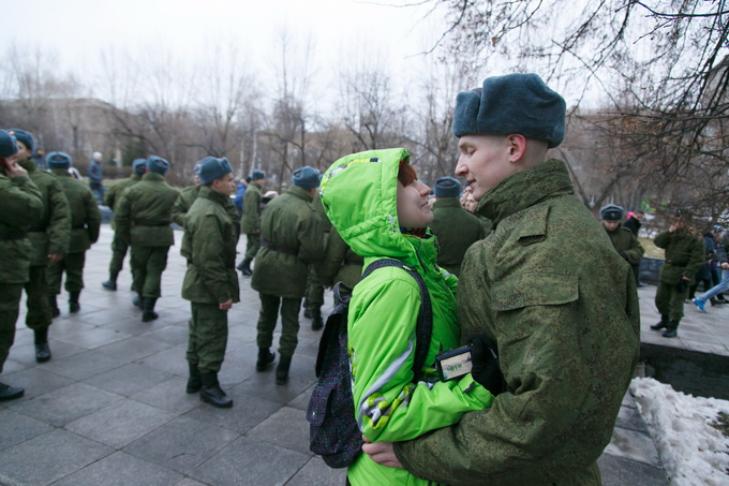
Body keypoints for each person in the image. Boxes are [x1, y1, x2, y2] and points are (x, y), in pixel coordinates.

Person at [363, 73, 640, 485]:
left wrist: (421, 453)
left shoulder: (548, 246)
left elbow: (538, 416)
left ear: (514, 147)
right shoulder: (527, 228)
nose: (459, 166)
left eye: (469, 150)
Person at [320, 148, 495, 485]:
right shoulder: (395, 286)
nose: (426, 189)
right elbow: (379, 415)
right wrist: (473, 391)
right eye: (408, 183)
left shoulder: (424, 270)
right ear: (377, 203)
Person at [251, 166, 326, 385]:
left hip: (265, 262)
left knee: (266, 314)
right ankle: (283, 369)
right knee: (290, 320)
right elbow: (312, 250)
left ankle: (262, 357)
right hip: (292, 269)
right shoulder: (307, 211)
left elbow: (260, 228)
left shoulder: (274, 202)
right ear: (312, 188)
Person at [181, 157, 239, 408]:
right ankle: (209, 385)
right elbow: (209, 260)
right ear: (216, 183)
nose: (232, 182)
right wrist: (222, 295)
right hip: (207, 287)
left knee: (199, 332)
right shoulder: (209, 212)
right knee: (212, 335)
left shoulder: (209, 205)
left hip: (200, 284)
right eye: (228, 179)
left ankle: (195, 380)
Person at [12, 129, 71, 362]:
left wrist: (56, 246)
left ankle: (41, 339)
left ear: (29, 151)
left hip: (35, 248)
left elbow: (60, 215)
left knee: (38, 298)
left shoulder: (46, 181)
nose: (14, 152)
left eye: (19, 147)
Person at [0, 130, 43, 400]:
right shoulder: (5, 187)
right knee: (3, 322)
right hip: (5, 263)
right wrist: (24, 181)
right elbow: (33, 209)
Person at [114, 156, 179, 322]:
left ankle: (141, 299)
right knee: (155, 270)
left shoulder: (133, 190)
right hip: (162, 236)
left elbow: (120, 217)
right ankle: (149, 308)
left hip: (139, 235)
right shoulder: (172, 192)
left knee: (139, 268)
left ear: (147, 170)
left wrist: (125, 236)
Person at [46, 152, 101, 316]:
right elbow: (94, 217)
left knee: (51, 273)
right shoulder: (81, 188)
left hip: (50, 236)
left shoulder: (43, 185)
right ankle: (74, 302)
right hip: (76, 237)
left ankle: (52, 306)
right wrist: (91, 237)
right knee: (75, 271)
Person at [650, 212, 705, 337]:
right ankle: (664, 320)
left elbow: (696, 260)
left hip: (681, 274)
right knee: (661, 299)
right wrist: (669, 232)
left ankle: (673, 326)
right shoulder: (673, 234)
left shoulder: (695, 238)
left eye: (680, 221)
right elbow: (658, 242)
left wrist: (687, 276)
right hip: (668, 271)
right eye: (675, 220)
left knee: (676, 303)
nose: (676, 223)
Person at [101, 158, 147, 291]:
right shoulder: (147, 187)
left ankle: (112, 280)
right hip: (139, 227)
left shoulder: (120, 185)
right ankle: (136, 284)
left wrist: (116, 211)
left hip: (121, 226)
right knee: (137, 256)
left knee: (118, 253)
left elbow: (108, 200)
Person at [430, 176, 488, 276]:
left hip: (434, 277)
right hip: (466, 277)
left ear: (437, 195)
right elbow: (482, 256)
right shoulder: (474, 221)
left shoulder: (427, 220)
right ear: (458, 194)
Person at [303, 192, 330, 331]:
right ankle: (315, 311)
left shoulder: (318, 194)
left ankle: (309, 305)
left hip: (313, 235)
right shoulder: (339, 191)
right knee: (318, 278)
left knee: (312, 276)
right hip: (328, 237)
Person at [600, 204, 644, 284]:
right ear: (603, 220)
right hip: (598, 275)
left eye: (615, 222)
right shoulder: (595, 233)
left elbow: (639, 250)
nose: (612, 225)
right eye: (609, 222)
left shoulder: (626, 234)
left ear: (619, 221)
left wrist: (627, 255)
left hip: (620, 277)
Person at [238, 170, 267, 276]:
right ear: (256, 179)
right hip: (252, 223)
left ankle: (246, 267)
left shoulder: (254, 190)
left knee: (250, 245)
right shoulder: (252, 191)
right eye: (262, 179)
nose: (264, 181)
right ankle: (244, 264)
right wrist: (256, 226)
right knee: (257, 245)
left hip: (250, 222)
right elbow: (252, 211)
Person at [692, 236, 729, 313]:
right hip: (726, 264)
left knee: (725, 285)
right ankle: (701, 299)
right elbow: (721, 249)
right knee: (725, 285)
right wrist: (723, 261)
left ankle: (701, 299)